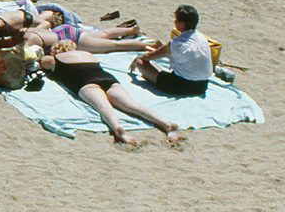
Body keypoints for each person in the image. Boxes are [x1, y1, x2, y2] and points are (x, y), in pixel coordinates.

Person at [41, 35, 185, 147]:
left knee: (104, 108)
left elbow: (41, 61)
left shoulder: (55, 59)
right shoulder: (87, 54)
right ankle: (167, 124)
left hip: (86, 82)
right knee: (133, 106)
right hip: (108, 79)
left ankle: (119, 130)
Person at [131, 6, 215, 96]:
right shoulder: (202, 38)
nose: (174, 22)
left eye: (176, 20)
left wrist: (138, 58)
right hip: (202, 86)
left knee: (140, 62)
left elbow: (149, 56)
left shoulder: (176, 43)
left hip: (179, 86)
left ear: (182, 24)